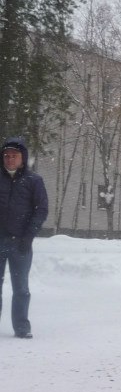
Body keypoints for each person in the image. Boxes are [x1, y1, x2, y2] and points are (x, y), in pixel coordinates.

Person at [0, 137, 49, 339]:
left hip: (21, 242)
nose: (10, 159)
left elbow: (41, 210)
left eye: (14, 156)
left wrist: (28, 235)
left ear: (23, 158)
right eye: (7, 156)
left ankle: (22, 327)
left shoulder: (33, 181)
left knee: (21, 288)